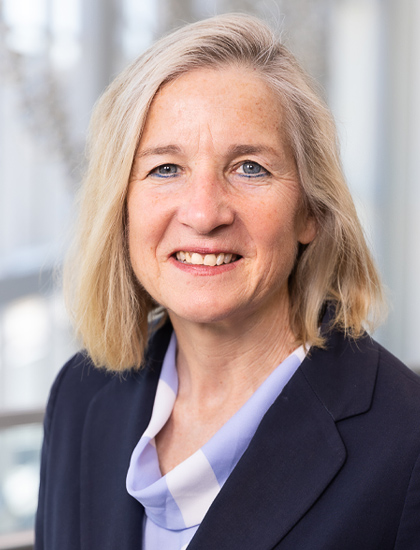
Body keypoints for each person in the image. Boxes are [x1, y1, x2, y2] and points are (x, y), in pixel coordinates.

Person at [35, 13, 420, 550]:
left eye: (250, 168)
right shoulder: (81, 396)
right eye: (165, 168)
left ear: (310, 210)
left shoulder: (407, 448)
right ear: (120, 207)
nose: (203, 213)